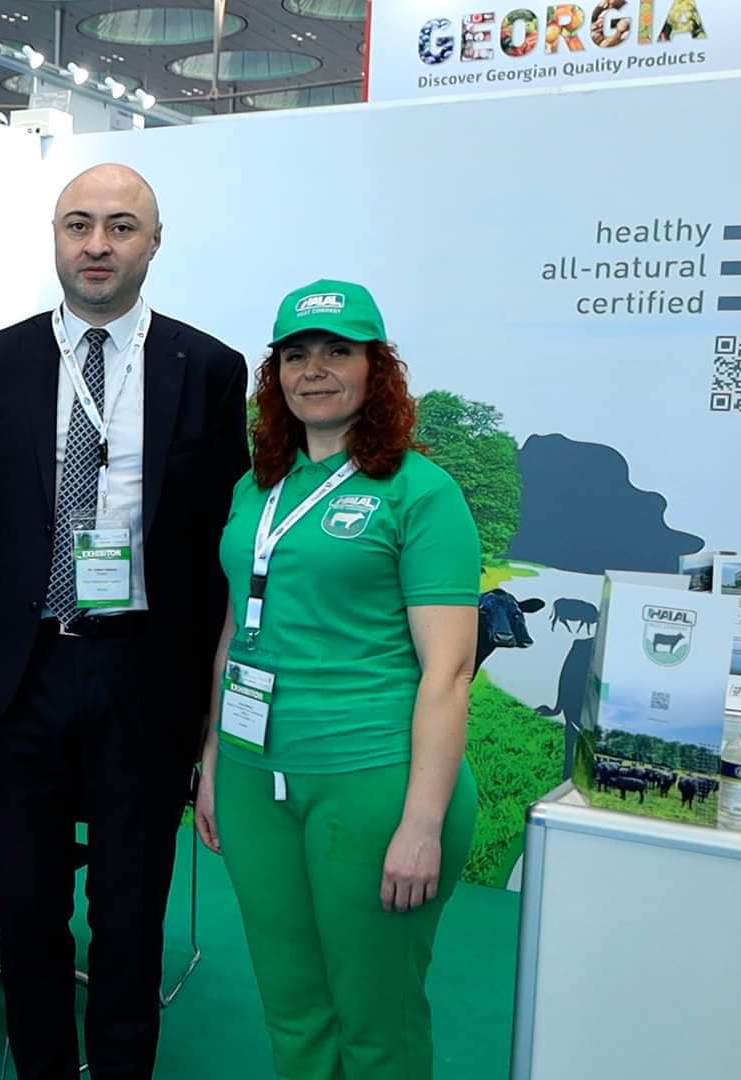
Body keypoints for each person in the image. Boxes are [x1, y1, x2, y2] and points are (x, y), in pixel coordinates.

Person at [0, 163, 247, 1079]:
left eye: (121, 227)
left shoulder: (208, 367)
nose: (97, 245)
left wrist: (211, 717)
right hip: (25, 674)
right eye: (78, 224)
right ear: (54, 237)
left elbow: (221, 549)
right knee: (27, 907)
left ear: (153, 244)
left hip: (144, 677)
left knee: (129, 912)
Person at [193, 279, 481, 1080]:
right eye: (296, 355)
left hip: (372, 781)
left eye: (337, 351)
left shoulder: (420, 491)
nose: (314, 369)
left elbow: (450, 670)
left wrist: (421, 823)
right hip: (254, 777)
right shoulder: (256, 488)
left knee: (376, 1019)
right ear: (276, 374)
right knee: (292, 1009)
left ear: (375, 369)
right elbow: (236, 629)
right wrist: (213, 759)